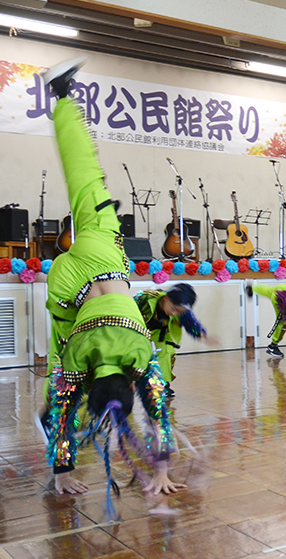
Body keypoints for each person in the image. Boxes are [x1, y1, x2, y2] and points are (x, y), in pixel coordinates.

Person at [39, 58, 182, 497]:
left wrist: (161, 466)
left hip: (101, 258)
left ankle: (63, 97)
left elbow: (157, 410)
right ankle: (62, 96)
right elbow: (68, 402)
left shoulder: (140, 355)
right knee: (57, 375)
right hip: (66, 291)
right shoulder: (84, 364)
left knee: (84, 175)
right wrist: (61, 470)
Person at [135, 283, 209, 397]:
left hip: (160, 334)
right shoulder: (145, 299)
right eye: (174, 309)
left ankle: (162, 385)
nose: (175, 314)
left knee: (165, 355)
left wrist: (200, 334)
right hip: (138, 330)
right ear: (165, 298)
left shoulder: (183, 312)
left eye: (179, 312)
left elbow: (190, 322)